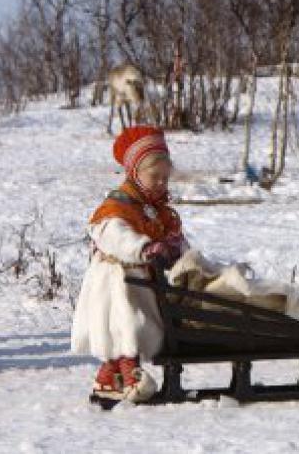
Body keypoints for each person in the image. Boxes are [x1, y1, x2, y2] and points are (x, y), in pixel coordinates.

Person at [71, 125, 188, 401]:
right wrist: (144, 247)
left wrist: (176, 248)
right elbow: (114, 234)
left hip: (143, 280)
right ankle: (127, 371)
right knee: (124, 323)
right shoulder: (117, 206)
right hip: (115, 278)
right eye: (154, 177)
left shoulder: (160, 210)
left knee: (137, 322)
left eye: (165, 178)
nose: (161, 183)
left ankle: (110, 376)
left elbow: (176, 238)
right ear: (135, 172)